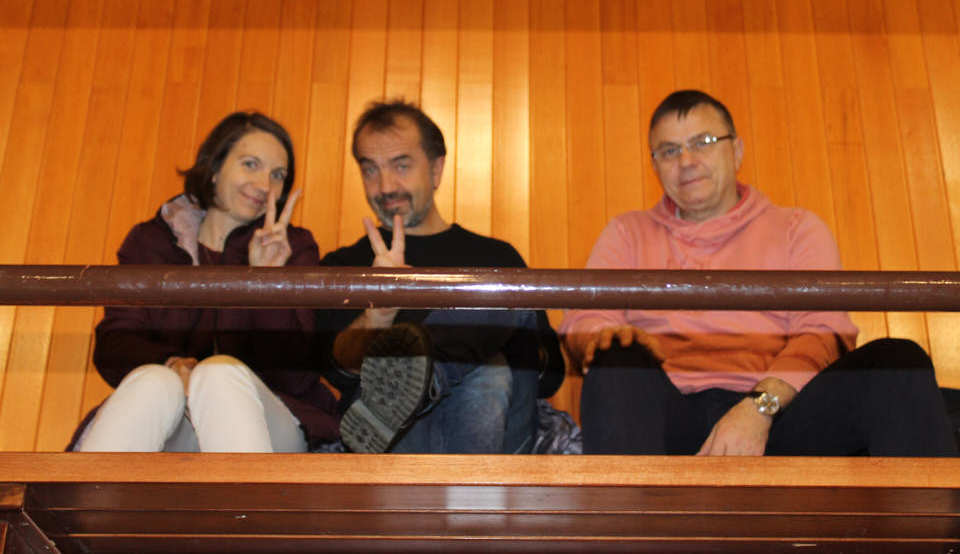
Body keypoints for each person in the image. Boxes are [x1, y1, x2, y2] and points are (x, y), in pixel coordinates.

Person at [560, 89, 958, 457]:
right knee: (616, 357)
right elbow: (586, 316)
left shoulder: (796, 228)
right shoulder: (627, 232)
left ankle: (929, 516)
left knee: (898, 363)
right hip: (663, 419)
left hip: (781, 413)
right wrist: (605, 336)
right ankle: (630, 515)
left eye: (703, 142)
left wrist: (760, 407)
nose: (686, 161)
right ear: (654, 165)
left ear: (737, 151)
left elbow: (822, 330)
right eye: (669, 150)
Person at [71, 112, 339, 452]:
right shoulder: (151, 242)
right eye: (250, 164)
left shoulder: (294, 246)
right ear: (214, 167)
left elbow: (296, 377)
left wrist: (265, 284)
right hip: (174, 420)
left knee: (218, 374)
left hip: (272, 421)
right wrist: (172, 364)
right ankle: (92, 489)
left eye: (277, 175)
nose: (264, 185)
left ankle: (241, 492)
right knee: (154, 380)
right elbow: (115, 344)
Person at [318, 100, 564, 454]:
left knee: (497, 315)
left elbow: (549, 375)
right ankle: (430, 384)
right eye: (370, 169)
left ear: (436, 169)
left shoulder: (495, 255)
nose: (385, 186)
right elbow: (336, 371)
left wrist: (492, 337)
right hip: (392, 442)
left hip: (503, 436)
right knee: (489, 369)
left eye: (401, 165)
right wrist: (378, 315)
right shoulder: (344, 264)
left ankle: (428, 377)